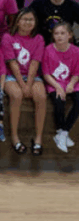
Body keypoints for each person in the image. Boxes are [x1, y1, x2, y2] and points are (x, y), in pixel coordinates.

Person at [3, 9, 47, 155]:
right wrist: (22, 85)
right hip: (11, 76)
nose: (28, 22)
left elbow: (35, 63)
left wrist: (28, 84)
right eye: (24, 19)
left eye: (31, 20)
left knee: (41, 96)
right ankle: (15, 137)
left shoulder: (39, 39)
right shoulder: (8, 37)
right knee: (16, 95)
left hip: (32, 76)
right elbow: (12, 64)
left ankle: (38, 138)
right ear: (17, 21)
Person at [44, 22, 79, 153]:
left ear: (69, 35)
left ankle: (63, 133)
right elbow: (46, 74)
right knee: (59, 101)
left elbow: (77, 73)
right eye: (56, 33)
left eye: (62, 33)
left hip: (72, 82)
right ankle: (62, 133)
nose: (59, 36)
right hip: (54, 82)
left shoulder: (76, 51)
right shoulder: (48, 50)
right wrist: (58, 86)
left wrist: (70, 84)